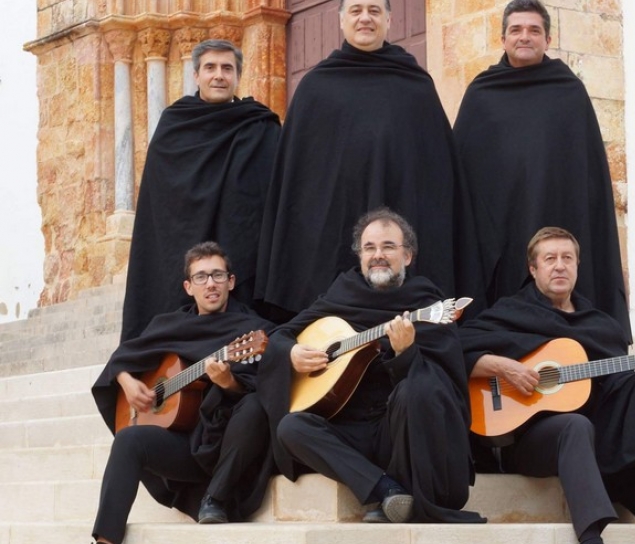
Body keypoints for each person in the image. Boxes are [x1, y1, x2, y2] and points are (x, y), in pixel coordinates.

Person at [458, 227, 635, 544]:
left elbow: (618, 389)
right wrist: (500, 365)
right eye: (550, 259)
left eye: (567, 258)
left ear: (577, 266)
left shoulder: (600, 326)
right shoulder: (511, 313)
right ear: (533, 269)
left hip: (599, 437)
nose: (560, 265)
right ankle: (590, 537)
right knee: (575, 425)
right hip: (531, 440)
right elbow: (455, 346)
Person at [254, 0, 491, 322]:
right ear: (341, 21)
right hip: (330, 237)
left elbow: (437, 175)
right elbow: (298, 183)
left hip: (403, 227)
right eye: (356, 10)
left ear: (389, 20)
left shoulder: (416, 86)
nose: (365, 18)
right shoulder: (315, 88)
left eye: (374, 10)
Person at [256, 208, 484, 523]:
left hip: (400, 433)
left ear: (407, 256)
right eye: (370, 248)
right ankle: (386, 490)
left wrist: (405, 355)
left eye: (388, 246)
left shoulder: (426, 303)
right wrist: (291, 352)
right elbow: (281, 334)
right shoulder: (340, 294)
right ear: (360, 256)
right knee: (291, 428)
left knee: (415, 390)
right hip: (349, 431)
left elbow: (441, 387)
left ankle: (408, 493)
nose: (378, 255)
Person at [452, 0, 631, 341]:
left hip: (558, 218)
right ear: (502, 39)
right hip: (499, 229)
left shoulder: (569, 92)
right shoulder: (481, 94)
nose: (525, 37)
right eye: (516, 30)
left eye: (534, 30)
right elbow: (462, 172)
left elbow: (587, 175)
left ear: (548, 39)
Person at [91, 242, 276, 544]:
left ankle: (215, 498)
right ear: (189, 287)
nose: (211, 284)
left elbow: (268, 385)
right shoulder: (169, 325)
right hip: (181, 447)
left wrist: (230, 384)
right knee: (128, 440)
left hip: (224, 448)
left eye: (218, 275)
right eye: (201, 277)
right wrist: (125, 380)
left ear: (231, 282)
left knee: (255, 404)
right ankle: (105, 541)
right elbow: (124, 357)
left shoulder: (251, 330)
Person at [121, 39, 281, 341]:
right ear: (196, 76)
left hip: (243, 255)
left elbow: (276, 193)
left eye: (227, 68)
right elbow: (160, 200)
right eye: (210, 68)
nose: (218, 75)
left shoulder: (260, 124)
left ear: (237, 76)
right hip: (183, 251)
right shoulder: (174, 123)